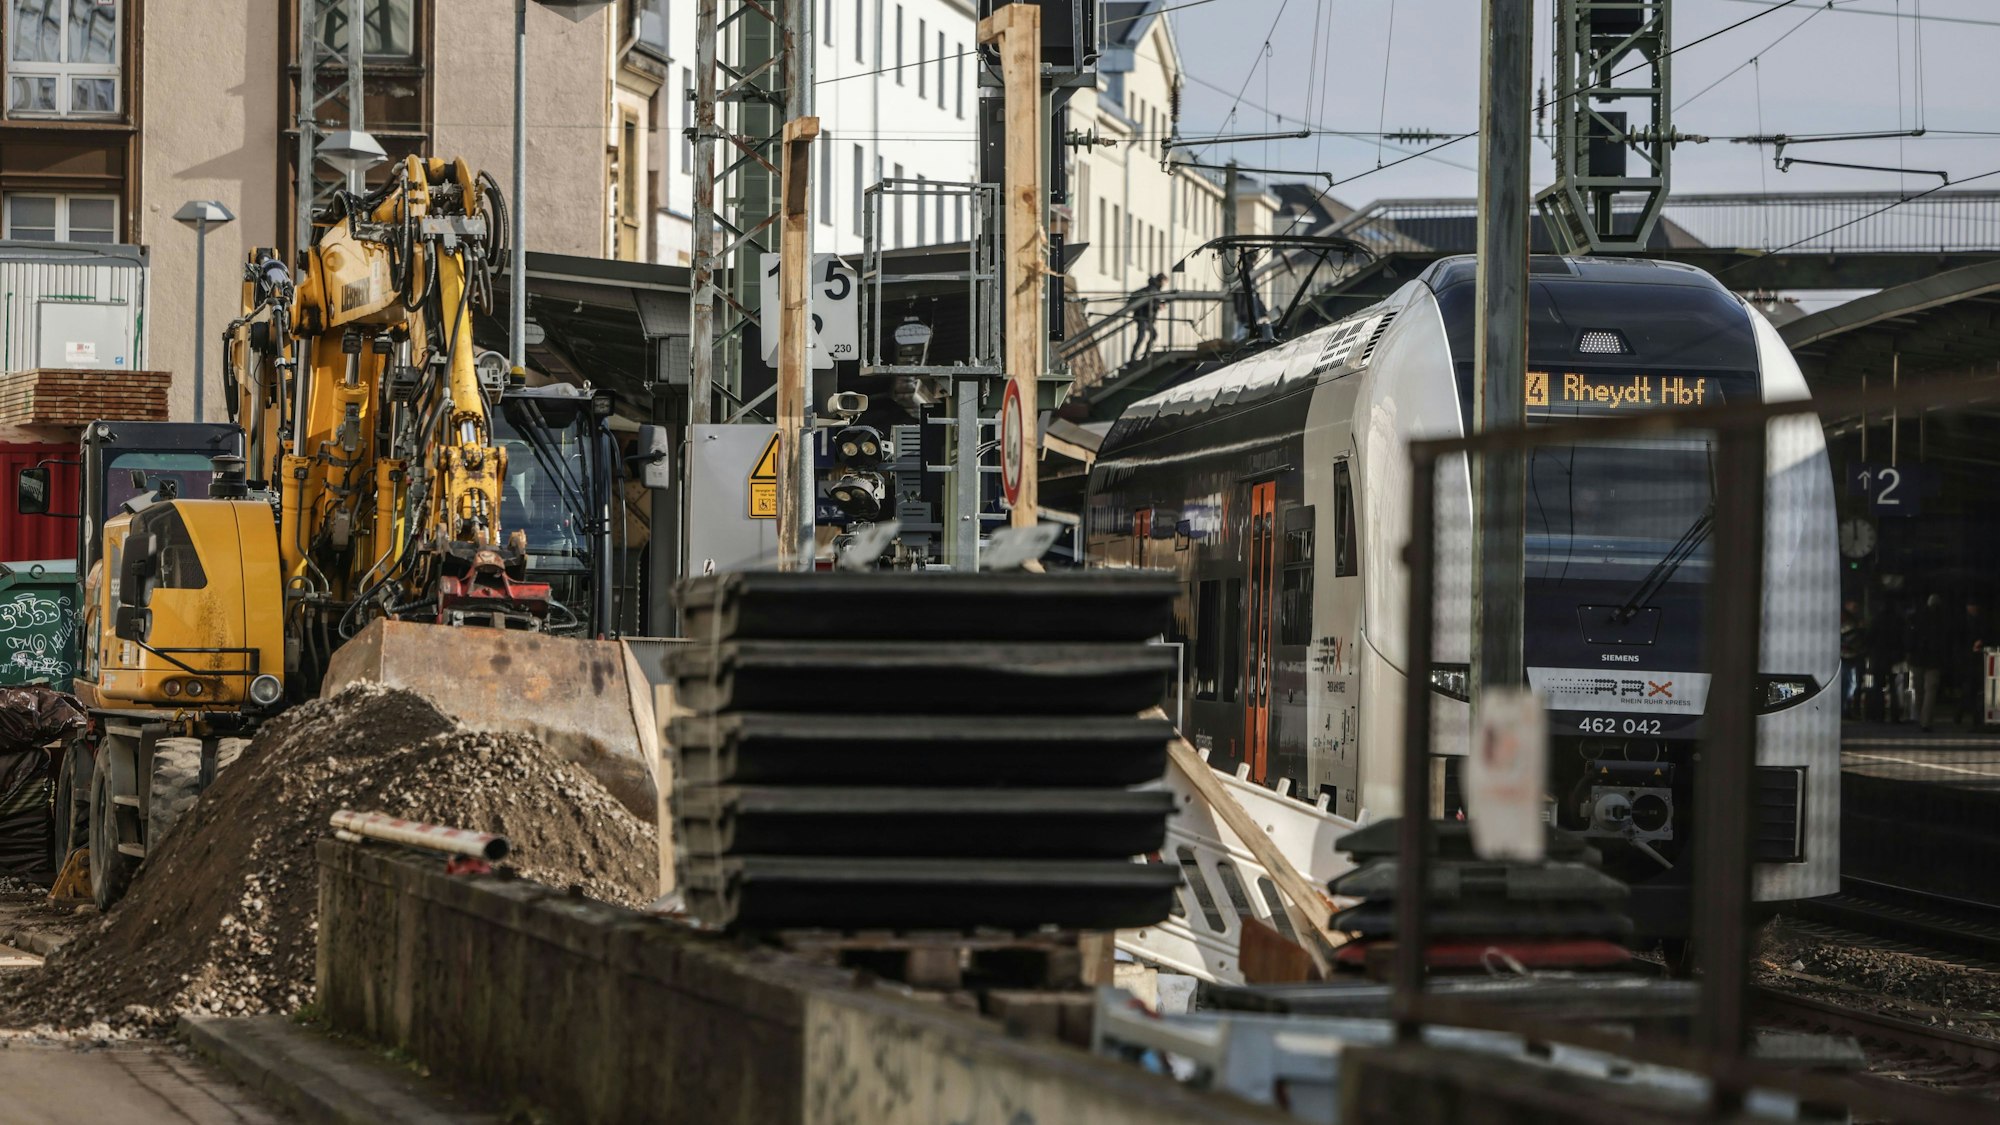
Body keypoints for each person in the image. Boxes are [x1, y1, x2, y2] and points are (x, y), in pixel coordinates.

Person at [1910, 594, 1955, 731]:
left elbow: (1910, 638)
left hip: (1917, 659)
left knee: (1918, 691)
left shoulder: (1917, 617)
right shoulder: (1943, 620)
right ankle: (1926, 721)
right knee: (1931, 691)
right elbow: (1947, 641)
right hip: (1934, 661)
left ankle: (1918, 718)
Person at [1954, 600, 1987, 728]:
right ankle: (1972, 717)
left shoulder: (1974, 621)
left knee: (1970, 689)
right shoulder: (1966, 622)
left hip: (1971, 659)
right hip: (1968, 659)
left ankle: (1961, 714)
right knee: (1970, 689)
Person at [1127, 273, 1167, 366]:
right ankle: (1135, 357)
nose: (1164, 285)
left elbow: (1152, 302)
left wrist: (1158, 304)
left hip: (1145, 317)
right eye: (1164, 282)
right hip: (1143, 317)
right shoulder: (1153, 289)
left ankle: (1142, 356)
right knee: (1142, 337)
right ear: (1161, 281)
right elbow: (1150, 303)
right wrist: (1158, 305)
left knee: (1151, 335)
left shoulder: (1153, 288)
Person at [1839, 599, 1864, 719]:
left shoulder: (1847, 619)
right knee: (1849, 684)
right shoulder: (1850, 621)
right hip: (1848, 656)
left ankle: (1845, 708)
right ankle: (1845, 709)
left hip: (1847, 656)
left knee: (1849, 684)